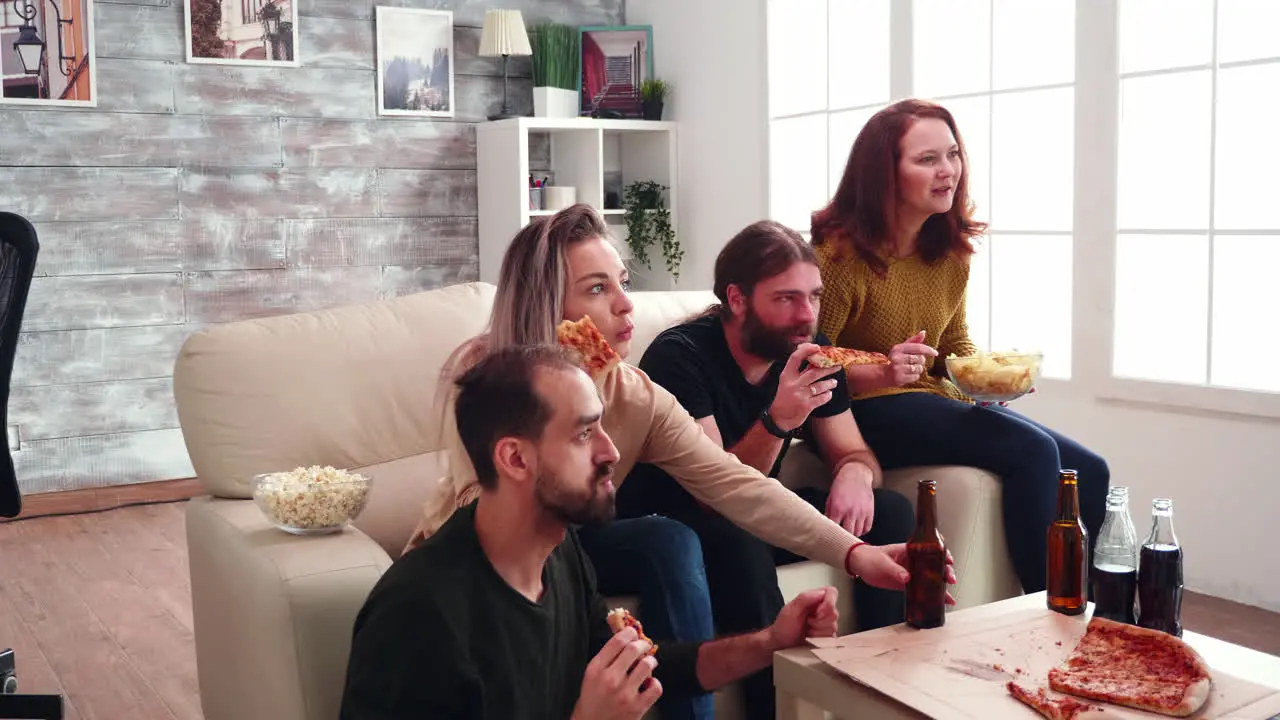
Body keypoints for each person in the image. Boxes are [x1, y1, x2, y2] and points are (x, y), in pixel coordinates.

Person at [406, 204, 933, 719]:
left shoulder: (637, 394)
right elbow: (483, 505)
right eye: (597, 289)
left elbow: (734, 482)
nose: (625, 305)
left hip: (574, 548)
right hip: (481, 555)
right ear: (546, 305)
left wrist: (855, 553)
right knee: (672, 539)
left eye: (623, 283)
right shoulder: (486, 380)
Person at [339, 345, 844, 719]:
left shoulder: (560, 558)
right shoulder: (419, 615)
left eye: (602, 427)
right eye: (583, 434)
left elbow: (650, 664)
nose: (611, 452)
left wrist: (769, 642)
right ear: (514, 458)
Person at [618, 220, 919, 720]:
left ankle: (881, 692)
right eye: (786, 299)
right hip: (679, 519)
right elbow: (717, 490)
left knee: (887, 511)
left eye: (814, 296)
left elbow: (854, 452)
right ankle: (772, 707)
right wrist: (779, 419)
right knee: (739, 539)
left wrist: (854, 474)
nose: (806, 316)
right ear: (737, 299)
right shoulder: (680, 357)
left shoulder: (810, 351)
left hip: (751, 508)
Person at [810, 98, 1110, 594]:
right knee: (1032, 450)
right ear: (884, 173)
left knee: (1090, 470)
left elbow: (953, 343)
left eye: (952, 154)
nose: (947, 170)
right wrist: (885, 368)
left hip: (928, 400)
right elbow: (813, 360)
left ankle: (1100, 612)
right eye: (927, 159)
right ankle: (1052, 610)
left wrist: (985, 379)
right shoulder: (838, 256)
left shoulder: (949, 252)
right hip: (862, 413)